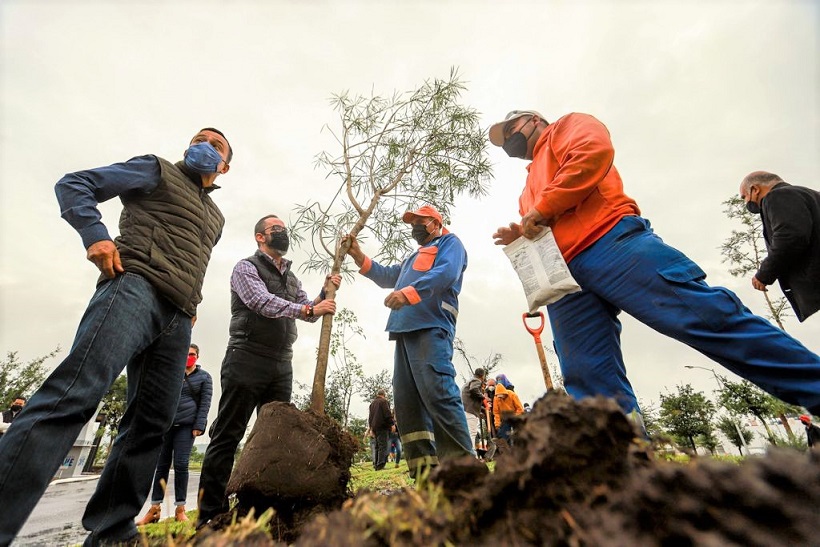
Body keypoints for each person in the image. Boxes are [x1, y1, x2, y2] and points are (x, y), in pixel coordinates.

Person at [489, 110, 820, 423]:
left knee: (708, 319)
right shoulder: (527, 187)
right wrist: (521, 232)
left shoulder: (566, 127)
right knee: (586, 372)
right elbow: (545, 222)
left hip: (611, 243)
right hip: (565, 277)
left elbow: (591, 153)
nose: (509, 143)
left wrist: (543, 208)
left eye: (510, 132)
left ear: (533, 120)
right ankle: (624, 456)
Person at [0, 128, 229, 545]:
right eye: (199, 139)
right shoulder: (156, 170)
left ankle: (112, 532)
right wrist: (96, 234)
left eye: (215, 146)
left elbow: (193, 260)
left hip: (178, 317)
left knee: (150, 424)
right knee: (77, 392)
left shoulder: (217, 218)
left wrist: (192, 306)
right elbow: (74, 184)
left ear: (224, 167)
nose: (204, 147)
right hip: (133, 287)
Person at [196, 214, 340, 528]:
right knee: (228, 434)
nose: (283, 232)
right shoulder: (245, 268)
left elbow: (309, 310)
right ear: (260, 236)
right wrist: (308, 308)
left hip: (281, 362)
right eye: (276, 229)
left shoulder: (291, 278)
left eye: (284, 228)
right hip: (247, 356)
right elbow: (262, 302)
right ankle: (210, 514)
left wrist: (324, 293)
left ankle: (261, 508)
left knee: (275, 436)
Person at [344, 205, 474, 474]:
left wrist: (409, 293)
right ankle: (425, 471)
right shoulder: (413, 257)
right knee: (407, 403)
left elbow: (447, 273)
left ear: (435, 223)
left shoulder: (450, 243)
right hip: (404, 330)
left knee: (438, 392)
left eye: (420, 220)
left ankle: (463, 466)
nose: (414, 225)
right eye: (411, 221)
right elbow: (387, 276)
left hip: (431, 324)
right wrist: (358, 256)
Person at [137, 344, 213, 525]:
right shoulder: (172, 373)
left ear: (198, 356)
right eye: (186, 354)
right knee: (161, 466)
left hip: (187, 427)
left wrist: (199, 425)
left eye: (193, 354)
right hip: (166, 425)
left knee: (181, 464)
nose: (189, 357)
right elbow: (160, 397)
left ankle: (180, 508)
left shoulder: (204, 378)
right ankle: (154, 508)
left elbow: (205, 404)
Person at [739, 171, 820, 322]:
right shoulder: (812, 195)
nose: (746, 202)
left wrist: (764, 274)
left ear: (755, 189)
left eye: (744, 197)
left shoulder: (777, 196)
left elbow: (790, 237)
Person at [461, 368, 487, 452]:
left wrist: (482, 409)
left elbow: (472, 397)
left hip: (465, 409)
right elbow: (474, 389)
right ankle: (471, 454)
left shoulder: (468, 382)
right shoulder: (477, 381)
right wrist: (483, 398)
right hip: (470, 411)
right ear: (482, 376)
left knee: (467, 433)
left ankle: (467, 453)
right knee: (472, 433)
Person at [368, 389, 393, 471]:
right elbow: (387, 414)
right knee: (383, 446)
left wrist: (371, 429)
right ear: (384, 395)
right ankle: (380, 465)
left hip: (374, 427)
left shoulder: (372, 404)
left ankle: (376, 464)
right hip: (383, 426)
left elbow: (370, 417)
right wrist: (392, 424)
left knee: (377, 446)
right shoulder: (383, 402)